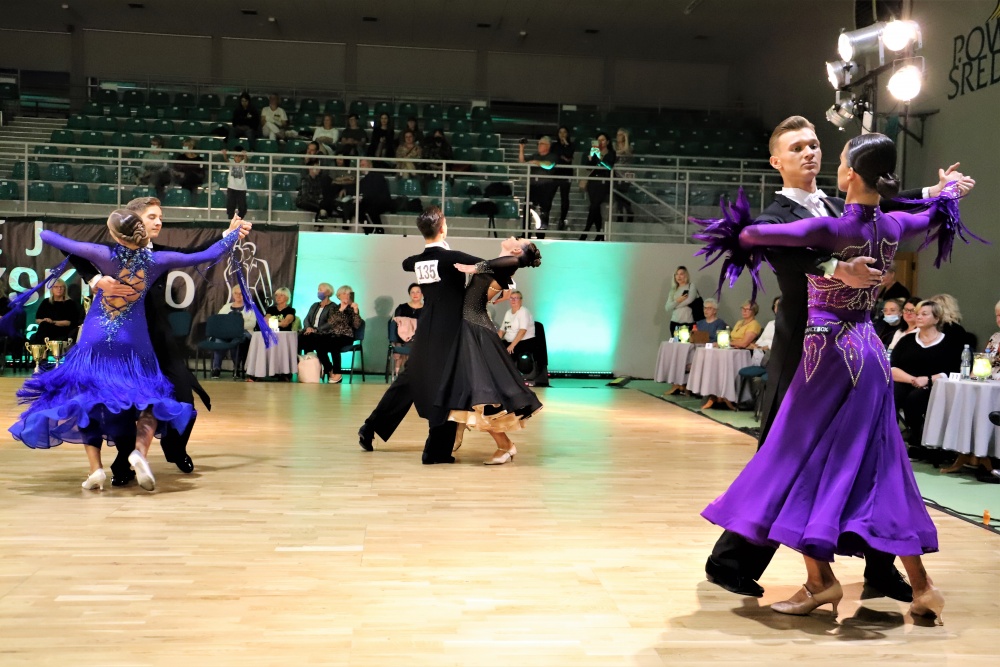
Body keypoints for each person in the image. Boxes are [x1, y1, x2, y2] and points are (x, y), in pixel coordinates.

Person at [697, 132, 979, 622]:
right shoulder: (890, 223)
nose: (813, 153)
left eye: (820, 147)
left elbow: (748, 236)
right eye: (798, 147)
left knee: (800, 458)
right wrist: (945, 193)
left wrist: (829, 259)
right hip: (869, 351)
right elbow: (917, 211)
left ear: (848, 174)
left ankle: (821, 581)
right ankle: (921, 586)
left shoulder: (829, 223)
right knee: (877, 462)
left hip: (825, 353)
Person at [8, 209, 250, 492]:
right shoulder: (158, 259)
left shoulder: (103, 254)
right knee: (151, 398)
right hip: (134, 342)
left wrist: (96, 278)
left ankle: (96, 470)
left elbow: (49, 236)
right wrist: (233, 235)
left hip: (96, 339)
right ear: (141, 232)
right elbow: (207, 254)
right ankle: (139, 453)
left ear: (114, 234)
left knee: (87, 398)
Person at [356, 206, 483, 462]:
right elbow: (489, 266)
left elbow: (407, 263)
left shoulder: (420, 261)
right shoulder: (452, 258)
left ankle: (370, 428)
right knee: (445, 384)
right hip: (448, 331)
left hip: (426, 330)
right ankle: (435, 451)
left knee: (409, 381)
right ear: (443, 228)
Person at [441, 238, 544, 465]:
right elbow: (499, 271)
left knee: (484, 392)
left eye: (518, 240)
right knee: (470, 385)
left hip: (476, 329)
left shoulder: (508, 263)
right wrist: (505, 285)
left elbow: (507, 264)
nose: (513, 237)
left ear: (516, 250)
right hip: (471, 326)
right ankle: (461, 427)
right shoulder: (501, 266)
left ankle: (504, 445)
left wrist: (472, 268)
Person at [891, 299, 962, 459]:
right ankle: (891, 440)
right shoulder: (907, 340)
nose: (919, 317)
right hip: (907, 381)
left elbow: (953, 370)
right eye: (917, 314)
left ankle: (918, 441)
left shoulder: (949, 343)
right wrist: (913, 379)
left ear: (936, 319)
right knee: (892, 394)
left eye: (924, 314)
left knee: (915, 399)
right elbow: (893, 367)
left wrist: (928, 379)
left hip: (936, 386)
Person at [518, 136, 559, 238]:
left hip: (545, 186)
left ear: (548, 146)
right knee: (527, 208)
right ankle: (526, 232)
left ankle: (541, 234)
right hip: (533, 185)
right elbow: (522, 161)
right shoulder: (535, 155)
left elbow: (549, 165)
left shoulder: (552, 156)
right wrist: (521, 148)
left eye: (541, 144)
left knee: (544, 210)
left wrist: (536, 162)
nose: (539, 146)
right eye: (539, 143)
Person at [211, 286, 255, 378]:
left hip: (244, 332)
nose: (238, 295)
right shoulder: (226, 307)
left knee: (236, 340)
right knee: (218, 340)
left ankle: (236, 368)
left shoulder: (250, 307)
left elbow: (252, 324)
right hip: (227, 332)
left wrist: (236, 326)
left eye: (241, 294)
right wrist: (230, 326)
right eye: (236, 293)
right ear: (233, 295)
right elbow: (219, 320)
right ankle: (216, 369)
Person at [321, 286, 363, 383]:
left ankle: (338, 373)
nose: (346, 296)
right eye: (344, 293)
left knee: (334, 345)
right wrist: (341, 309)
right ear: (339, 296)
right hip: (332, 335)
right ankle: (330, 369)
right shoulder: (334, 308)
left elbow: (357, 325)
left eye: (349, 294)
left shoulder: (352, 309)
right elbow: (331, 322)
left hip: (346, 336)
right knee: (320, 345)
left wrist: (356, 311)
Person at [580, 133, 616, 241]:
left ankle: (586, 231)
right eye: (598, 140)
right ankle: (599, 233)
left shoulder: (611, 153)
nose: (600, 142)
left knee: (594, 206)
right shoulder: (595, 152)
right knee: (594, 207)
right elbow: (588, 166)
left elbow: (609, 166)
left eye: (603, 140)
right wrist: (591, 156)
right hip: (593, 181)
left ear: (607, 142)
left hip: (604, 181)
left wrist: (600, 157)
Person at [298, 283, 339, 377]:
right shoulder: (314, 305)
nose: (318, 292)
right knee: (301, 338)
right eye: (318, 289)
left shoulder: (333, 306)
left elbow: (330, 323)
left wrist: (315, 330)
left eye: (321, 290)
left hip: (324, 334)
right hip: (310, 332)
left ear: (328, 292)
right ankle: (306, 368)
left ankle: (328, 368)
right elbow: (306, 319)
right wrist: (308, 328)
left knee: (317, 343)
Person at [29, 279, 80, 344]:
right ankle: (40, 348)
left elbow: (70, 322)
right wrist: (45, 320)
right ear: (52, 289)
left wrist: (52, 322)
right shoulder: (46, 302)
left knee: (44, 328)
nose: (59, 289)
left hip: (63, 330)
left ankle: (40, 348)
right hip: (46, 328)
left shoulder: (70, 303)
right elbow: (37, 320)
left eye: (61, 287)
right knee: (44, 326)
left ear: (65, 289)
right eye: (56, 287)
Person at [392, 283, 423, 376]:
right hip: (402, 338)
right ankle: (403, 374)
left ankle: (410, 373)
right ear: (409, 294)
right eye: (412, 292)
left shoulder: (426, 309)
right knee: (403, 345)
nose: (415, 294)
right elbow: (395, 325)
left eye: (418, 292)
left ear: (422, 294)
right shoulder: (402, 308)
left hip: (419, 339)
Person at [499, 290, 537, 360]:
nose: (513, 300)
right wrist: (495, 341)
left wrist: (512, 346)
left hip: (522, 342)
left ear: (521, 300)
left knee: (504, 355)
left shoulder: (523, 312)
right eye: (511, 298)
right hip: (508, 341)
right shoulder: (508, 312)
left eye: (516, 298)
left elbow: (522, 331)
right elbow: (502, 330)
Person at [358, 159, 392, 234]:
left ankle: (379, 230)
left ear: (370, 166)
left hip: (381, 202)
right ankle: (369, 229)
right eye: (360, 165)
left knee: (372, 209)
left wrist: (364, 198)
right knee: (357, 208)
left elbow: (377, 193)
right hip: (370, 201)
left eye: (363, 165)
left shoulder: (378, 176)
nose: (361, 167)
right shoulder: (363, 181)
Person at [664, 266, 698, 337]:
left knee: (689, 343)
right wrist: (678, 300)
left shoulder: (691, 286)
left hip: (689, 322)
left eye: (681, 274)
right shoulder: (673, 290)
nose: (679, 276)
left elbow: (689, 300)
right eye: (677, 274)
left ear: (686, 275)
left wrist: (674, 306)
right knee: (676, 343)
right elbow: (667, 307)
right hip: (674, 323)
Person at [552, 126, 575, 230]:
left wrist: (566, 145)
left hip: (566, 174)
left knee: (564, 197)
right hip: (555, 173)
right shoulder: (554, 145)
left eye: (564, 132)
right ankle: (545, 216)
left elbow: (569, 156)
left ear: (567, 134)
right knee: (550, 195)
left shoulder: (571, 145)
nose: (562, 134)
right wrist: (564, 157)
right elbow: (556, 157)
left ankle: (562, 219)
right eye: (560, 132)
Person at [138, 136, 172, 200]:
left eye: (154, 144)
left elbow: (166, 167)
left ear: (160, 146)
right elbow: (142, 167)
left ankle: (150, 191)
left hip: (161, 173)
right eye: (152, 144)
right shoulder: (147, 155)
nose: (152, 146)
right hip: (149, 173)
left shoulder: (165, 155)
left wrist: (155, 172)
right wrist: (145, 172)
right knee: (157, 182)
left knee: (156, 176)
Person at [612, 128, 635, 223]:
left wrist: (626, 138)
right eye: (617, 135)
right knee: (618, 196)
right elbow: (613, 154)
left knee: (623, 195)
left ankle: (628, 213)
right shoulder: (614, 145)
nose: (618, 136)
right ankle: (621, 215)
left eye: (621, 135)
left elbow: (627, 152)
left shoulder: (630, 147)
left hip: (626, 175)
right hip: (616, 174)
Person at [220, 146, 249, 219]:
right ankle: (231, 220)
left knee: (242, 207)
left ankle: (238, 219)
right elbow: (226, 160)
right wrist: (224, 154)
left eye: (240, 156)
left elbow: (246, 161)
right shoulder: (231, 162)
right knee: (230, 205)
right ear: (233, 156)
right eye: (236, 156)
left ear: (242, 157)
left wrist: (245, 155)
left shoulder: (243, 163)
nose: (238, 158)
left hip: (242, 188)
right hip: (231, 187)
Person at [986, 299, 1000, 380]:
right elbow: (983, 363)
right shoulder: (995, 338)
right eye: (997, 315)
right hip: (989, 383)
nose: (999, 319)